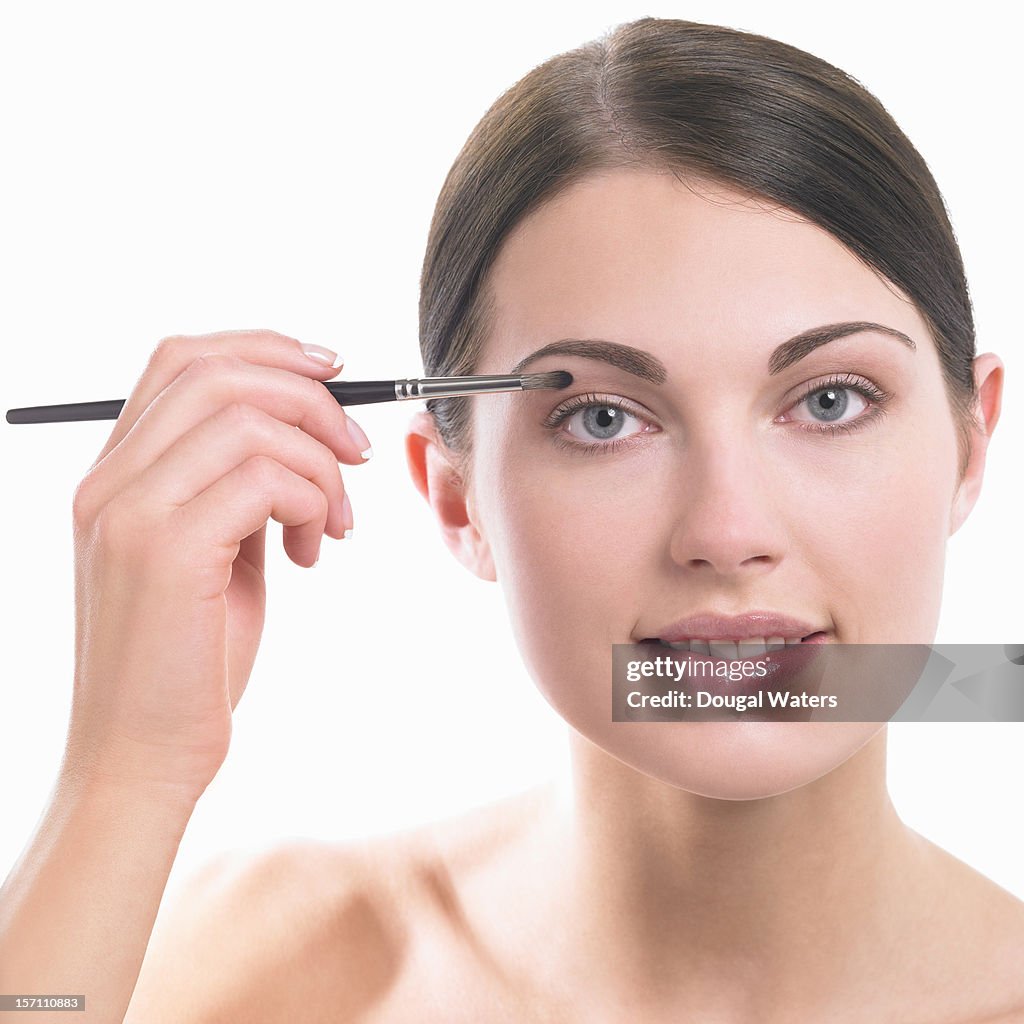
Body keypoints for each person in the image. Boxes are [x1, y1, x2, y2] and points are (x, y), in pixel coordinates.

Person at [1, 15, 1021, 1023]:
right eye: (603, 417)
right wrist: (125, 772)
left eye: (829, 399)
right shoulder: (281, 964)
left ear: (970, 443)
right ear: (456, 498)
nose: (726, 527)